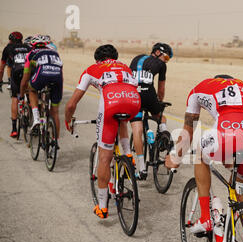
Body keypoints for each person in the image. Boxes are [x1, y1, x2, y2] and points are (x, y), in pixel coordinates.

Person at [165, 75, 243, 242]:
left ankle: (205, 218)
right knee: (240, 189)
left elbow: (188, 131)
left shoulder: (199, 89)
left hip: (227, 131)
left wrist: (175, 157)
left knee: (200, 154)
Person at [64, 44, 140, 219]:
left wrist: (68, 119)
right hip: (134, 102)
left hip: (111, 104)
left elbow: (71, 104)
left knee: (104, 157)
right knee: (121, 119)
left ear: (98, 59)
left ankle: (102, 206)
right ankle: (127, 155)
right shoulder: (125, 67)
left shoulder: (93, 69)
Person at [128, 42, 173, 179]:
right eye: (166, 58)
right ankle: (163, 136)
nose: (166, 61)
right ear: (158, 52)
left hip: (133, 95)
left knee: (137, 129)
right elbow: (161, 89)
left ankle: (142, 169)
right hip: (149, 95)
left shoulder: (136, 59)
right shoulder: (161, 65)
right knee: (161, 117)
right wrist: (159, 101)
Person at [19, 34, 63, 139]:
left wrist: (21, 95)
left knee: (31, 90)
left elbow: (25, 79)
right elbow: (61, 72)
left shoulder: (31, 54)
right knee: (55, 112)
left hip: (42, 75)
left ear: (32, 45)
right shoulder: (55, 53)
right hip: (58, 78)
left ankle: (37, 118)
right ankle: (54, 143)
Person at [0, 31, 30, 137]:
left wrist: (0, 81)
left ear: (10, 40)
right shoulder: (28, 46)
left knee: (14, 98)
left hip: (16, 73)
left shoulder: (8, 48)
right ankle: (32, 119)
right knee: (31, 94)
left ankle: (14, 129)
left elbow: (2, 67)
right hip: (28, 72)